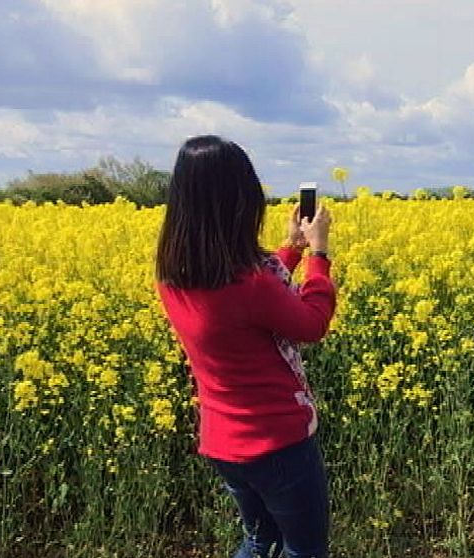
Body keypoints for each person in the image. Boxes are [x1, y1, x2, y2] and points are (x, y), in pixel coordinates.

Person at [155, 135, 335, 558]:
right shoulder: (250, 285)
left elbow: (247, 301)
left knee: (260, 540)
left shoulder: (174, 275)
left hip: (223, 440)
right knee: (304, 550)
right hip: (277, 442)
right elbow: (311, 324)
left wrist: (291, 248)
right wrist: (319, 253)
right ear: (240, 201)